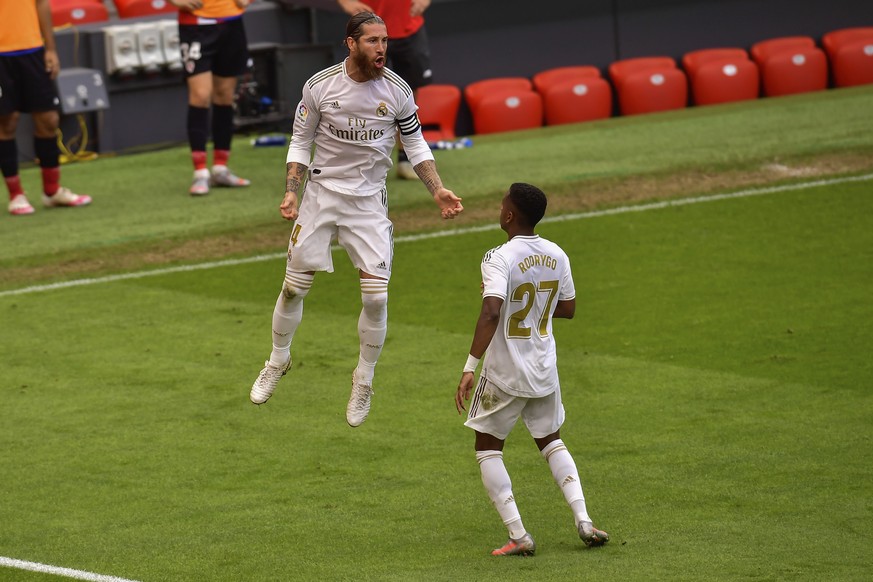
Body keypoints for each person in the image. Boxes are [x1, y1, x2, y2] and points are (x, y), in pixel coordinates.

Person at [249, 12, 463, 427]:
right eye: (372, 41)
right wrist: (292, 191)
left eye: (385, 40)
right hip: (321, 197)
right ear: (351, 43)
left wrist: (436, 188)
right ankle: (277, 360)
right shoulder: (319, 86)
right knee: (293, 291)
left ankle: (363, 380)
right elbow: (300, 140)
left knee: (376, 298)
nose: (381, 48)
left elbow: (415, 145)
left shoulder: (398, 91)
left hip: (368, 204)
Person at [454, 183, 609, 556]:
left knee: (488, 448)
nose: (499, 207)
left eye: (501, 204)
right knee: (551, 440)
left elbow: (491, 311)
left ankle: (519, 536)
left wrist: (469, 366)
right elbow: (568, 308)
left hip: (505, 372)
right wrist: (534, 305)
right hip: (544, 368)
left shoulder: (498, 257)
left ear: (509, 215)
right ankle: (584, 520)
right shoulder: (557, 254)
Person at [1, 0, 92, 216]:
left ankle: (52, 192)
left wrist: (50, 48)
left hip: (32, 50)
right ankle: (16, 195)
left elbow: (41, 3)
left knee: (49, 120)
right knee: (7, 121)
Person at [337, 0, 432, 180]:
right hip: (368, 29)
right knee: (361, 89)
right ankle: (360, 160)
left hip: (409, 26)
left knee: (408, 93)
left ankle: (406, 159)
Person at [168, 0, 252, 196]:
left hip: (232, 20)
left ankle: (220, 169)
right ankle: (200, 172)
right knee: (200, 94)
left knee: (224, 95)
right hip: (196, 23)